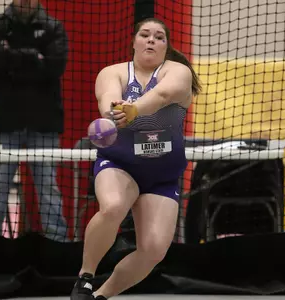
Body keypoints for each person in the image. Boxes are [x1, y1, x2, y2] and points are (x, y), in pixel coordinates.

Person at [70, 17, 201, 300]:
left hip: (162, 174)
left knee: (153, 250)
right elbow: (107, 97)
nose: (151, 40)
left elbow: (163, 94)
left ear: (167, 46)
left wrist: (134, 110)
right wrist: (113, 112)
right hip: (120, 164)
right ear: (133, 41)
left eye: (159, 37)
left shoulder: (178, 72)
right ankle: (85, 277)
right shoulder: (113, 71)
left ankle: (101, 296)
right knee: (114, 206)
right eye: (145, 35)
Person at [0, 0, 69, 241]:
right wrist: (33, 57)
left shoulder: (54, 27)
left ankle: (57, 243)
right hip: (4, 120)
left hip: (44, 121)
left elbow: (55, 67)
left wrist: (11, 57)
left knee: (47, 186)